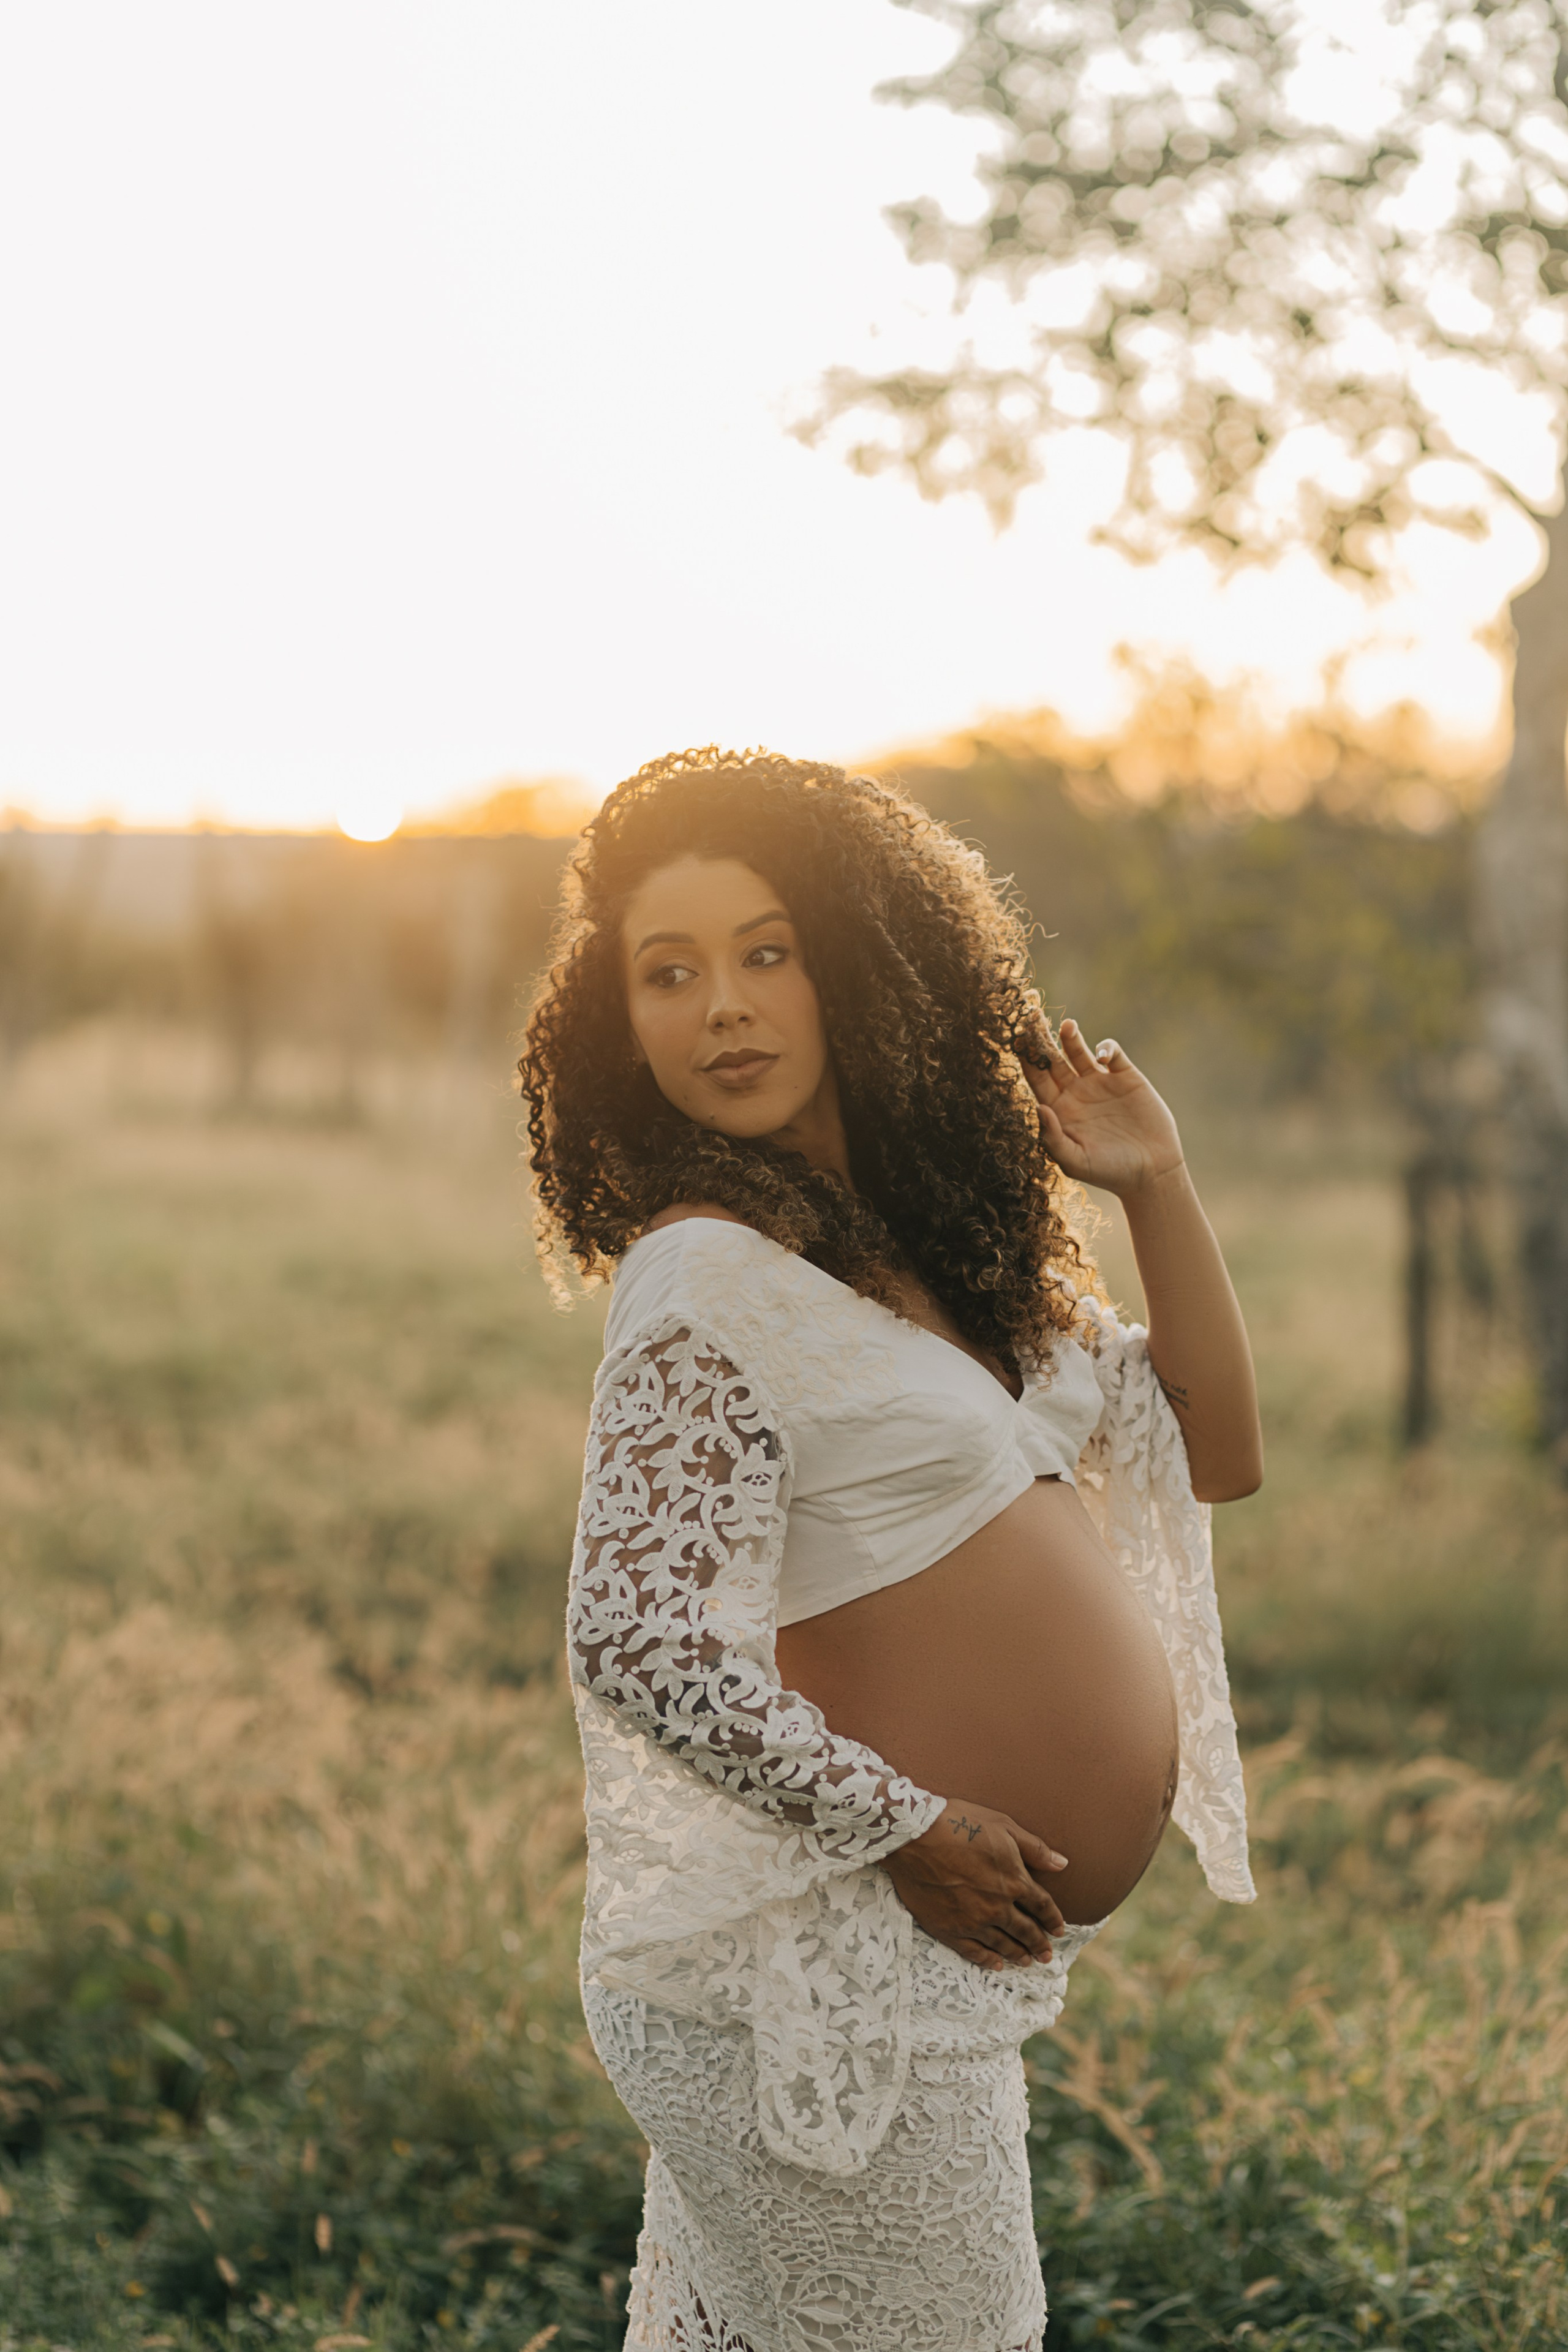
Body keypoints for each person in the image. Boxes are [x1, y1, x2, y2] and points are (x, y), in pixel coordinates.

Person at [519, 745, 1262, 2352]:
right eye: (670, 973)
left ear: (862, 961)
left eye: (766, 953)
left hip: (889, 1975)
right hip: (806, 1970)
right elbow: (632, 1631)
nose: (721, 1008)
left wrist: (1158, 1184)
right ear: (620, 1022)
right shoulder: (703, 1275)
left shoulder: (948, 1268)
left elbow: (1218, 1446)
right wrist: (909, 1827)